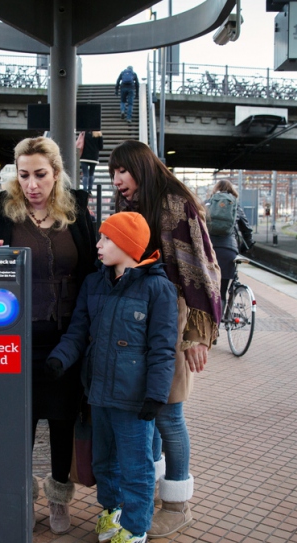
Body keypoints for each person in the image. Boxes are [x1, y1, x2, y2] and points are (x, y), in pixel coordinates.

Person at [0, 136, 98, 534]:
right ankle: (21, 495)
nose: (31, 185)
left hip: (67, 337)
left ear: (56, 174)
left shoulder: (75, 207)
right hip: (16, 337)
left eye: (40, 175)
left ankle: (59, 499)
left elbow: (92, 268)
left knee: (62, 420)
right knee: (16, 423)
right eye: (23, 175)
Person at [108, 140, 223, 539]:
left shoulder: (174, 202)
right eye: (113, 174)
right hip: (141, 322)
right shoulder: (133, 206)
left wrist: (197, 334)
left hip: (173, 319)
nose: (118, 180)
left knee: (169, 413)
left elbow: (201, 267)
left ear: (140, 166)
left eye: (122, 171)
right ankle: (157, 493)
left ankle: (176, 502)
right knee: (151, 410)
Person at [45, 211, 177, 543]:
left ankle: (135, 529)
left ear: (128, 245)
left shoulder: (158, 289)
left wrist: (156, 396)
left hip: (135, 400)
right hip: (98, 394)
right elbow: (78, 332)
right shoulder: (94, 283)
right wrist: (59, 360)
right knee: (104, 462)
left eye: (106, 238)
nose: (98, 244)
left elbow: (163, 350)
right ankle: (111, 511)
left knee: (136, 467)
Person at [206, 179, 255, 302]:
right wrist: (245, 247)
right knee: (221, 293)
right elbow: (247, 230)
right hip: (228, 250)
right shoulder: (235, 205)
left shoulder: (207, 204)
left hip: (208, 251)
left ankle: (208, 318)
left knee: (207, 290)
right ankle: (220, 320)